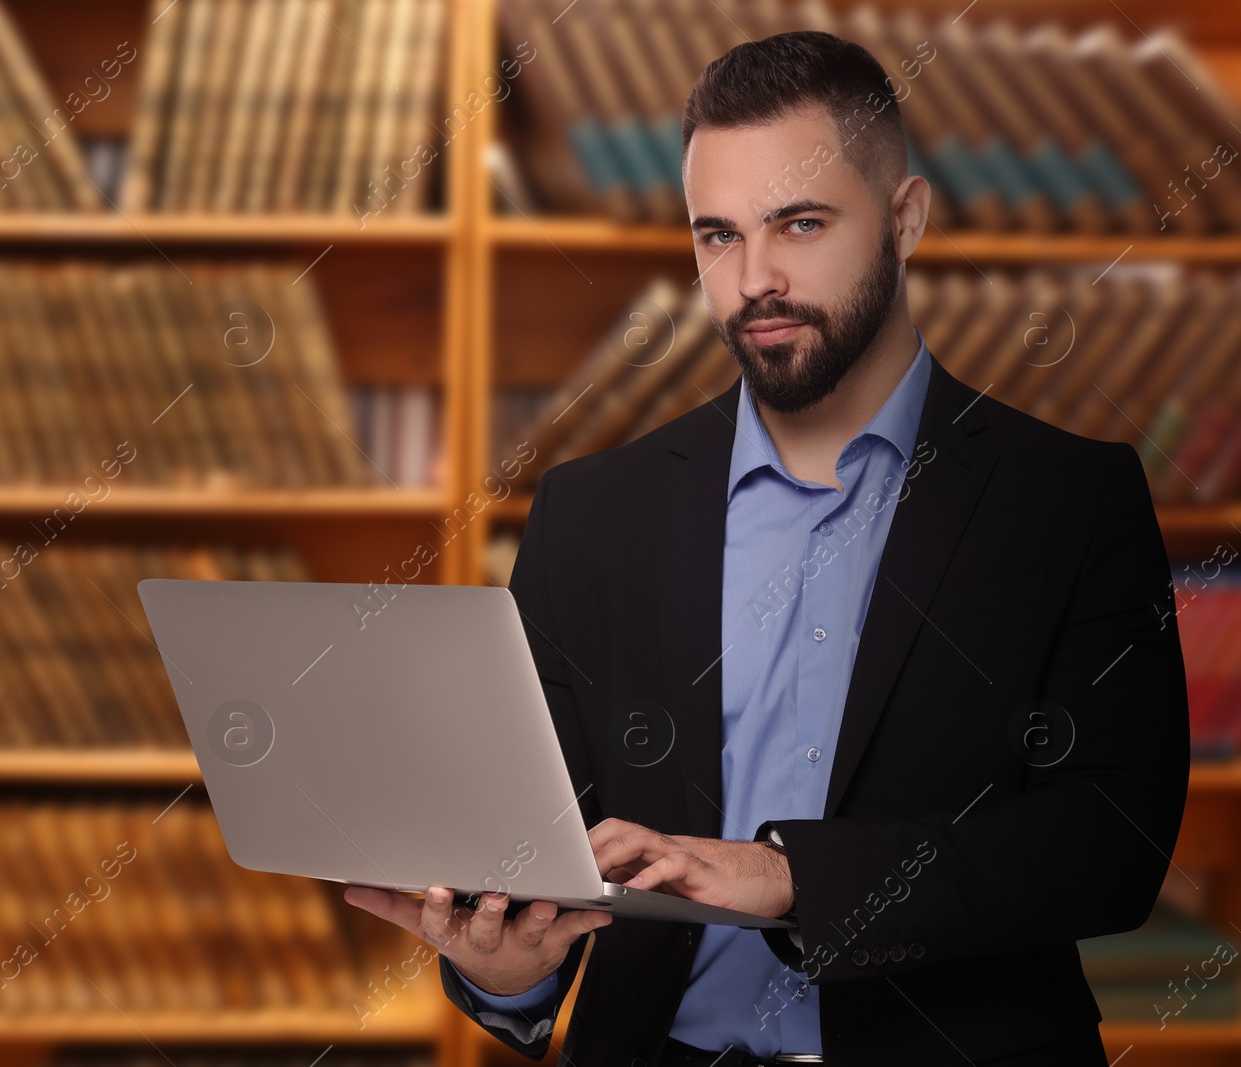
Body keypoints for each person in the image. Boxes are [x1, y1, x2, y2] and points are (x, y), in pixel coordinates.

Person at [344, 30, 1189, 1067]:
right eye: (716, 235)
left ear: (905, 218)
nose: (753, 280)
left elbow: (1111, 843)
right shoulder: (588, 512)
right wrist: (506, 968)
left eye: (799, 223)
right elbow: (542, 844)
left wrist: (787, 874)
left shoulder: (1067, 500)